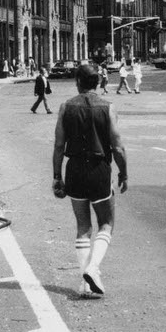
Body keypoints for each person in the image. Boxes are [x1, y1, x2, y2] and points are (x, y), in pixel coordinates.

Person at [52, 63, 129, 296]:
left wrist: (57, 176)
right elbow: (117, 147)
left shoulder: (66, 107)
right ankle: (93, 269)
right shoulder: (107, 107)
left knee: (83, 226)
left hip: (74, 168)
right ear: (97, 83)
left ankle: (85, 283)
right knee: (106, 223)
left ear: (77, 82)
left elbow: (58, 146)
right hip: (99, 169)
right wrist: (123, 173)